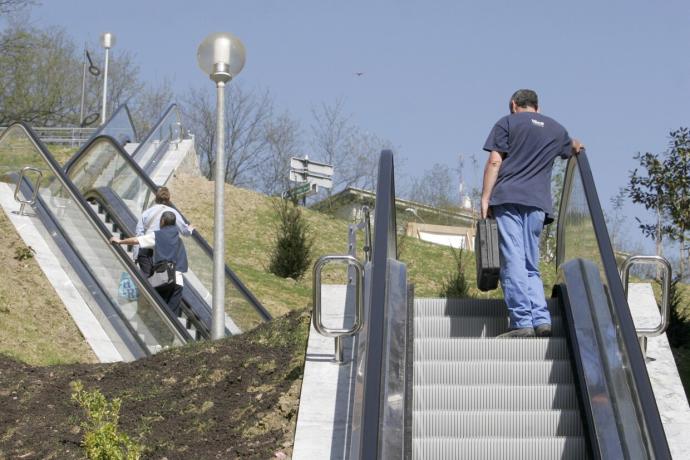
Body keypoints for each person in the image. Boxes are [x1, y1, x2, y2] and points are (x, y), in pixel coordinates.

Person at [481, 89, 583, 338]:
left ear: (514, 105)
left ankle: (521, 321)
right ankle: (541, 319)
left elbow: (495, 161)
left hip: (508, 198)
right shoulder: (557, 129)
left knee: (513, 259)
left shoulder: (506, 122)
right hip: (538, 204)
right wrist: (576, 144)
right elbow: (573, 148)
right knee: (530, 263)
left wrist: (485, 198)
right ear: (537, 107)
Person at [111, 211, 189, 316]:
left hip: (163, 279)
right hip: (178, 282)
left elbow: (137, 240)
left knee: (156, 310)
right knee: (172, 315)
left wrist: (120, 241)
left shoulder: (158, 235)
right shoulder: (178, 239)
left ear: (162, 221)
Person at [135, 186, 193, 276]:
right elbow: (185, 232)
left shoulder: (147, 212)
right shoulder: (173, 213)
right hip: (164, 253)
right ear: (169, 199)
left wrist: (136, 255)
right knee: (161, 280)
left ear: (156, 198)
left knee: (147, 279)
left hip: (147, 250)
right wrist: (190, 228)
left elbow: (139, 234)